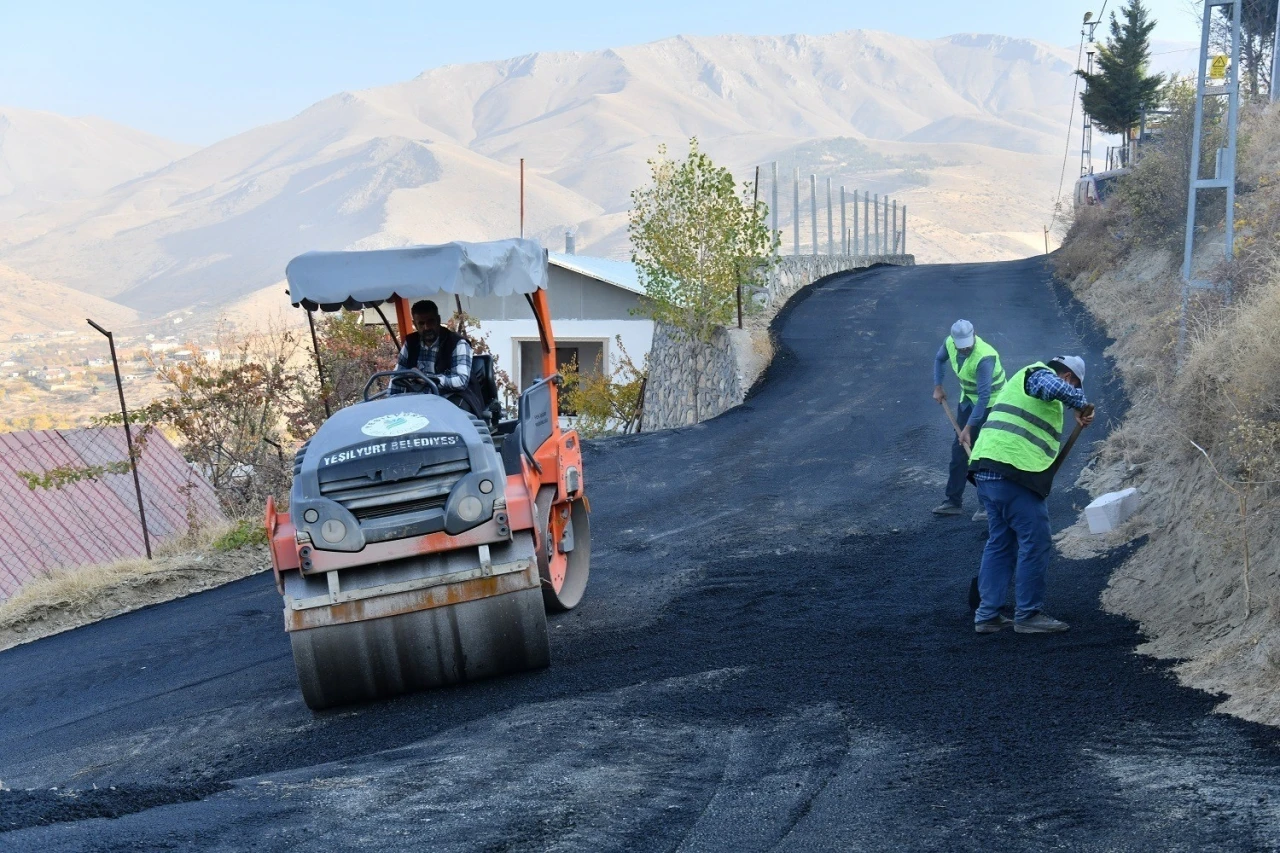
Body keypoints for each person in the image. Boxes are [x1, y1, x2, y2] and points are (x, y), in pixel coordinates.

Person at [967, 355, 1095, 635]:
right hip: (1011, 473)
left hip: (988, 472)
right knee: (1035, 540)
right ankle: (1028, 614)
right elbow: (1055, 388)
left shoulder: (1026, 388)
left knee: (1001, 542)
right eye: (1073, 384)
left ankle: (987, 614)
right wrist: (1081, 404)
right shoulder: (1038, 374)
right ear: (1068, 377)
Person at [931, 319, 1006, 519]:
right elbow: (939, 359)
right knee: (959, 452)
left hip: (992, 405)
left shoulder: (985, 357)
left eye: (968, 346)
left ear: (974, 335)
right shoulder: (950, 343)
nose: (965, 350)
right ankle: (953, 502)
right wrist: (938, 386)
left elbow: (984, 397)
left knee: (981, 453)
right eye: (960, 347)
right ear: (954, 341)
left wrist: (968, 428)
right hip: (968, 402)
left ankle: (986, 506)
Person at [392, 299, 484, 416]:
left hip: (451, 400)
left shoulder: (457, 343)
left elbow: (461, 381)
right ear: (415, 324)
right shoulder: (410, 343)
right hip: (420, 403)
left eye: (430, 321)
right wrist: (391, 404)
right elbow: (397, 376)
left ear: (438, 320)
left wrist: (429, 379)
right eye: (421, 323)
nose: (426, 327)